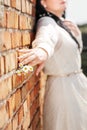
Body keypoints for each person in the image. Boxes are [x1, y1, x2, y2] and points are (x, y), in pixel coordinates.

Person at [18, 0, 87, 130]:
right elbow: (46, 37)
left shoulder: (62, 23)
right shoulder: (47, 22)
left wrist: (77, 35)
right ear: (43, 3)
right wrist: (42, 50)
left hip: (77, 84)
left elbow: (73, 53)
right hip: (64, 90)